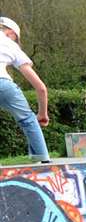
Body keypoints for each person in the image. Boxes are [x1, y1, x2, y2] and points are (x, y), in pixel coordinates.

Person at [0, 16, 50, 162]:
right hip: (3, 84)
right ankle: (42, 159)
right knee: (28, 119)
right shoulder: (11, 44)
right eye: (15, 38)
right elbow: (41, 88)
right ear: (11, 33)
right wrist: (42, 114)